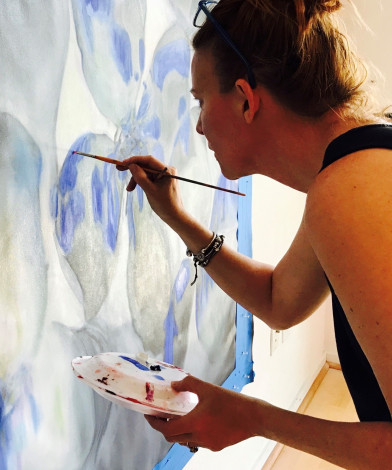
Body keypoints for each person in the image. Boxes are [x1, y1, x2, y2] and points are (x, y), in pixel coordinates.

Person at [119, 0, 392, 467]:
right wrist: (177, 217)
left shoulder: (348, 191)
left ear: (246, 99)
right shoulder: (355, 168)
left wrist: (252, 417)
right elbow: (278, 300)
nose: (199, 125)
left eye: (201, 101)